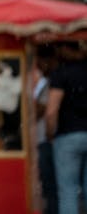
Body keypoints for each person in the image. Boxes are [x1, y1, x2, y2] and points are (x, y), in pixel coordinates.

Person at [45, 41, 87, 214]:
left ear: (64, 50)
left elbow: (52, 109)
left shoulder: (60, 73)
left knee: (68, 192)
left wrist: (50, 133)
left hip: (67, 136)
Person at [33, 45, 58, 214]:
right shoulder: (46, 83)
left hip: (50, 141)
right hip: (49, 139)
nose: (39, 65)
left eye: (40, 61)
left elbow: (44, 111)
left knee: (53, 187)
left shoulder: (53, 82)